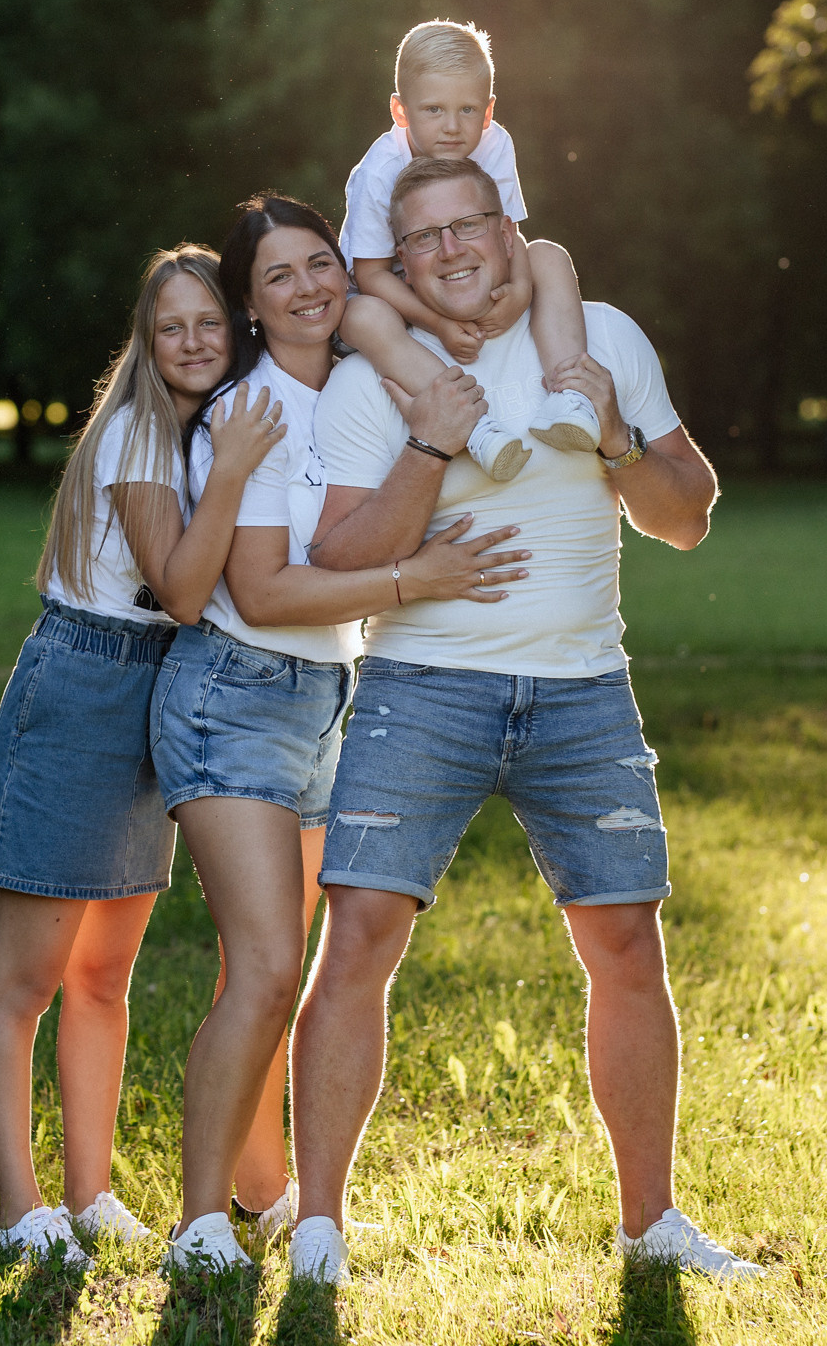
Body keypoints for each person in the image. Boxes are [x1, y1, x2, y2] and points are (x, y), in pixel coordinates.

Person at [285, 156, 765, 1287]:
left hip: (583, 689)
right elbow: (337, 555)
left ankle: (651, 1223)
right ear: (401, 265)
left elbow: (687, 518)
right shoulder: (373, 379)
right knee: (356, 938)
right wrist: (432, 445)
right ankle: (318, 1228)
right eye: (427, 239)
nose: (454, 249)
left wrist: (612, 434)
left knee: (627, 945)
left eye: (473, 224)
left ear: (509, 229)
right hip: (420, 688)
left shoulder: (597, 337)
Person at [148, 191, 535, 1274]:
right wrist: (418, 578)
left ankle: (262, 1194)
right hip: (234, 692)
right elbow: (264, 593)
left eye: (320, 262)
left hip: (328, 697)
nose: (310, 286)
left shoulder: (362, 384)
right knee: (269, 967)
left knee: (276, 967)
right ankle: (196, 1225)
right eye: (279, 277)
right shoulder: (256, 413)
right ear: (252, 307)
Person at [0, 245, 287, 1267]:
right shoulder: (146, 435)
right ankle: (22, 1210)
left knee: (106, 975)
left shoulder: (199, 426)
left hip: (161, 687)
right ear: (147, 346)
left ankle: (90, 1193)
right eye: (171, 327)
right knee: (24, 978)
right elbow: (185, 591)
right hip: (84, 685)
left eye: (209, 323)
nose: (194, 342)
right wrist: (234, 471)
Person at [334, 19, 603, 482]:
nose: (453, 128)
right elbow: (371, 273)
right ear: (401, 112)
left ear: (489, 110)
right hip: (394, 289)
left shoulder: (494, 143)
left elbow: (506, 234)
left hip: (466, 273)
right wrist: (437, 322)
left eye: (468, 110)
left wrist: (519, 288)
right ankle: (477, 428)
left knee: (548, 254)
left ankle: (570, 399)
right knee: (360, 316)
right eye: (434, 110)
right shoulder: (381, 171)